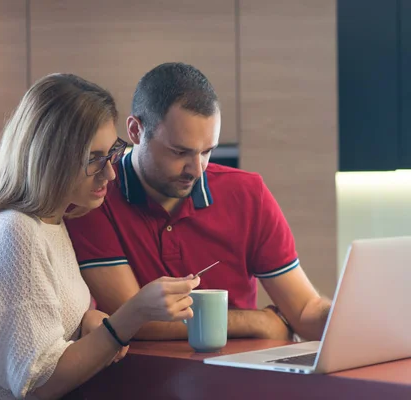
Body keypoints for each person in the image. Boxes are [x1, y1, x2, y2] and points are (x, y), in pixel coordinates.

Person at [0, 73, 200, 400]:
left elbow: (41, 332)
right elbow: (39, 383)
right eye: (94, 159)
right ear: (51, 157)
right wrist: (133, 315)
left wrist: (87, 322)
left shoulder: (51, 224)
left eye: (111, 154)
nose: (110, 172)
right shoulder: (15, 233)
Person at [65, 62, 332, 343]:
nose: (197, 169)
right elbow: (130, 318)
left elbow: (304, 311)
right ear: (135, 131)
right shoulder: (96, 195)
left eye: (207, 151)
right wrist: (257, 321)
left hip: (242, 382)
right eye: (180, 152)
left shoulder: (248, 194)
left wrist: (353, 318)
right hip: (141, 383)